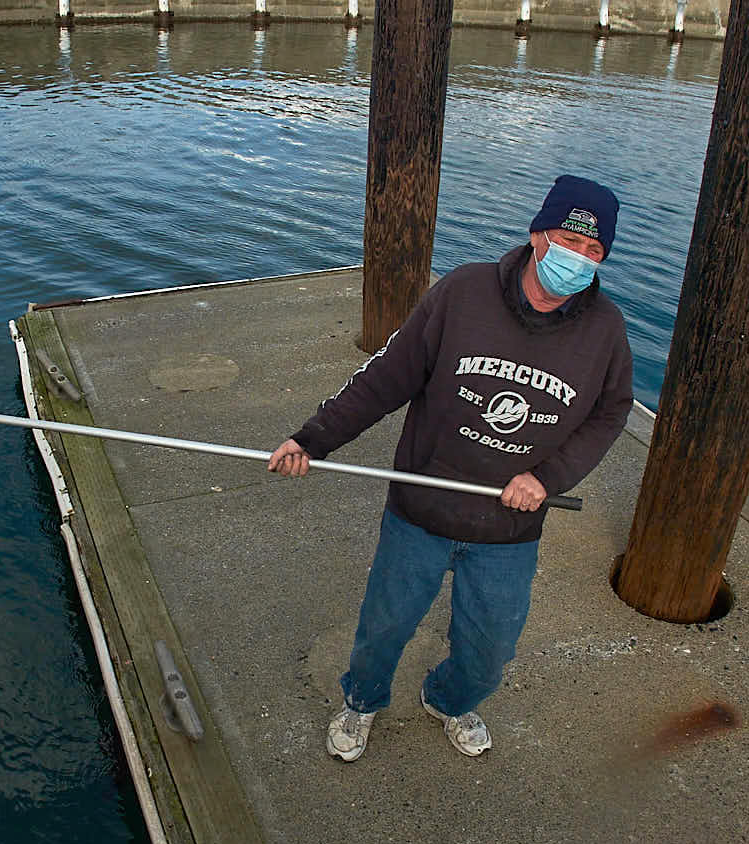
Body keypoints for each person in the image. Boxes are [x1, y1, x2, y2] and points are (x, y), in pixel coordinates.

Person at [268, 175, 633, 761]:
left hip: (508, 531)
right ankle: (361, 702)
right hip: (422, 511)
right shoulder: (463, 293)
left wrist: (548, 478)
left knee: (490, 652)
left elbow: (611, 414)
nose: (579, 260)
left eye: (594, 252)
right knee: (384, 628)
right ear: (538, 235)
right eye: (570, 241)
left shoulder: (606, 331)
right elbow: (387, 377)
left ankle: (447, 699)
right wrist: (313, 439)